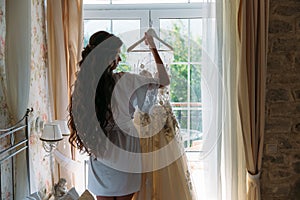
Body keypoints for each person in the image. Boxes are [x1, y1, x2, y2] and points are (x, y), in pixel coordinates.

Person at [68, 30, 170, 200]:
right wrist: (152, 47)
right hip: (125, 150)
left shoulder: (83, 88)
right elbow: (164, 81)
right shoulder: (125, 80)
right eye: (117, 55)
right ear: (108, 58)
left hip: (100, 150)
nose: (120, 60)